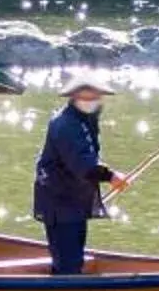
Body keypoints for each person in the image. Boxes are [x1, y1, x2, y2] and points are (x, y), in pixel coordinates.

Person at [32, 78, 118, 275]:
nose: (93, 99)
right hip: (59, 201)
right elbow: (82, 163)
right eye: (87, 94)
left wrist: (107, 175)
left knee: (73, 257)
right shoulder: (65, 124)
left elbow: (87, 156)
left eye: (96, 95)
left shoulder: (84, 120)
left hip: (72, 200)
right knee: (68, 263)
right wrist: (111, 176)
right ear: (74, 96)